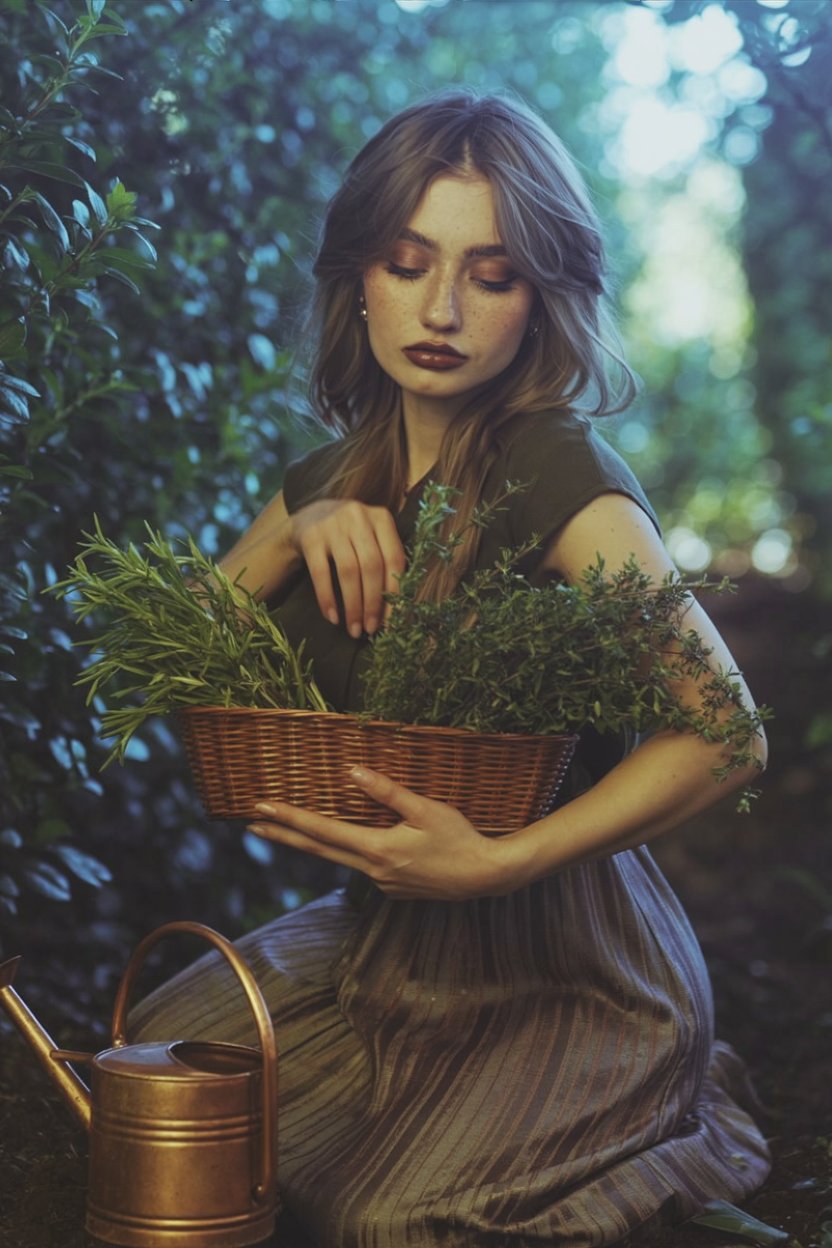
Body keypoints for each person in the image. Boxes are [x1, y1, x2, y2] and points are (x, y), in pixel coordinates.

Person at [130, 91, 771, 1246]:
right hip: (385, 943)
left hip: (571, 956)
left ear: (541, 299)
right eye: (407, 260)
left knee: (389, 1221)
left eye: (491, 272)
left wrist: (499, 861)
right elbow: (177, 654)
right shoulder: (335, 470)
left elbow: (726, 731)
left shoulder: (557, 467)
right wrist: (297, 519)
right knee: (173, 1075)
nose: (440, 308)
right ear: (357, 279)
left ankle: (656, 1141)